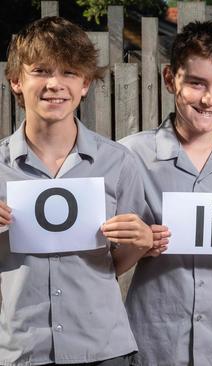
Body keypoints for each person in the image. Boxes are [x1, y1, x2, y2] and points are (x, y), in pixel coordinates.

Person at [0, 16, 153, 365]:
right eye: (40, 70)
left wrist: (140, 246)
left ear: (84, 84)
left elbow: (113, 263)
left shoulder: (119, 163)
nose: (55, 84)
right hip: (23, 349)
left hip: (103, 348)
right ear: (16, 81)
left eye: (69, 72)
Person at [119, 21, 212, 366]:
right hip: (152, 344)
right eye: (197, 83)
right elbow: (104, 251)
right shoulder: (130, 154)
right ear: (171, 78)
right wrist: (140, 244)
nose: (208, 99)